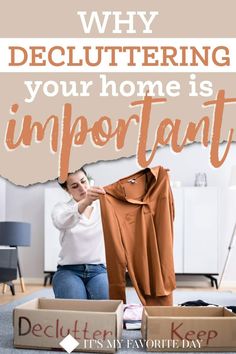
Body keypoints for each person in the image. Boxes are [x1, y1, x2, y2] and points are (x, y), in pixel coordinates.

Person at [51, 168, 109, 300]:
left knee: (106, 305)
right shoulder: (61, 209)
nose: (82, 188)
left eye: (84, 182)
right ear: (67, 190)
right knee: (74, 309)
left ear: (88, 180)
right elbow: (62, 221)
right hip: (68, 271)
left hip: (98, 270)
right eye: (75, 186)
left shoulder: (103, 207)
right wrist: (86, 202)